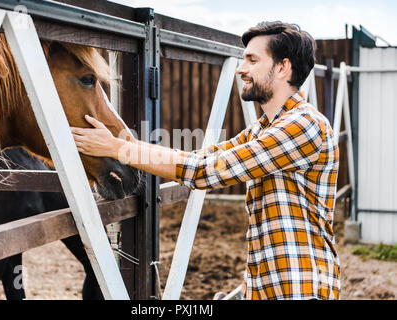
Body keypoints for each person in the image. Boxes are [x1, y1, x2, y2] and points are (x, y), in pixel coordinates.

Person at [71, 21, 340, 300]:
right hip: (272, 286)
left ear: (283, 68)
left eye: (252, 60)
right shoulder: (264, 130)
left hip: (301, 289)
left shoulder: (303, 126)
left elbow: (204, 172)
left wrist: (118, 149)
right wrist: (121, 144)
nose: (241, 69)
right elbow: (201, 157)